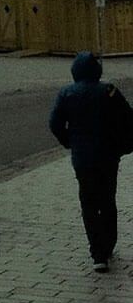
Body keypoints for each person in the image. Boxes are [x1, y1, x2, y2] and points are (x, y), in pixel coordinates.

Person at [49, 50, 133, 273]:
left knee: (88, 202)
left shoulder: (66, 93)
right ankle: (108, 244)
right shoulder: (109, 91)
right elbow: (128, 118)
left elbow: (54, 123)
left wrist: (69, 142)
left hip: (82, 159)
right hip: (108, 157)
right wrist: (124, 145)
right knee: (107, 200)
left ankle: (97, 253)